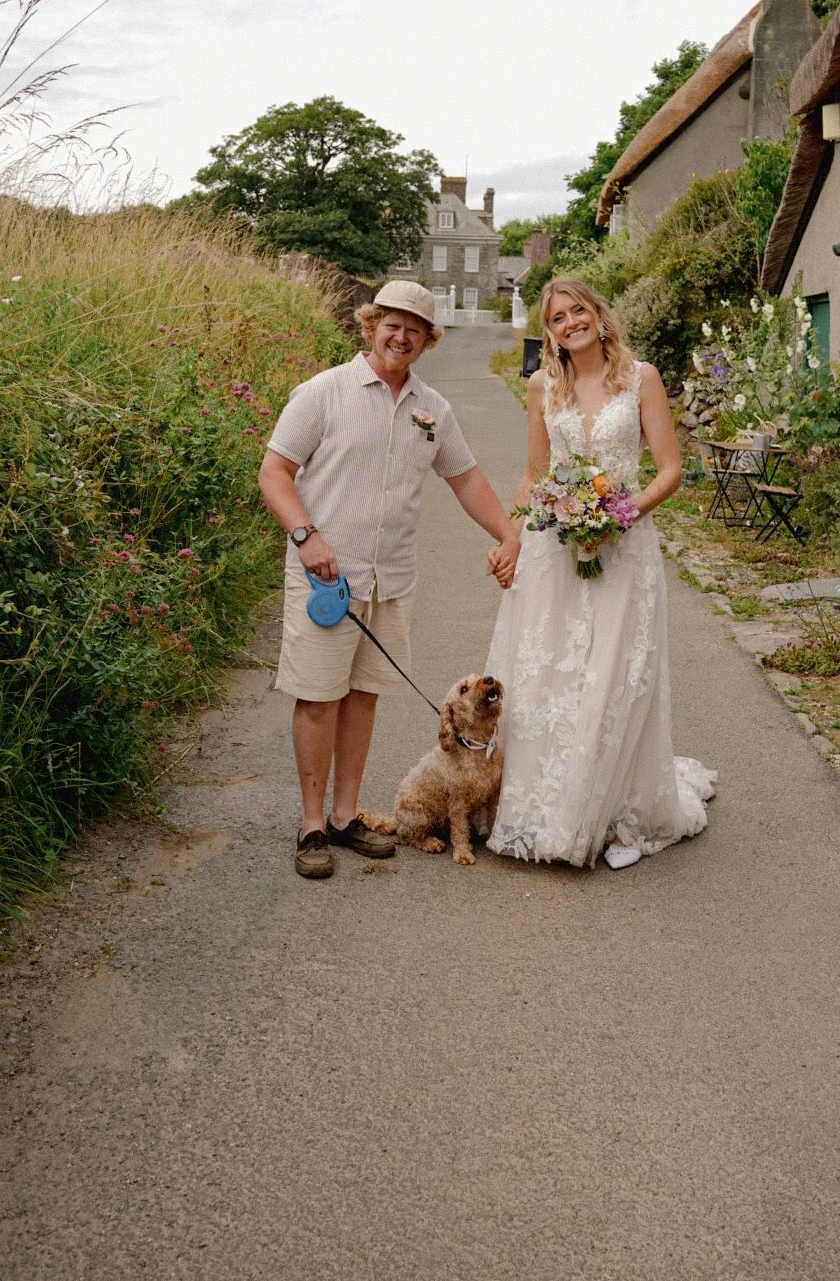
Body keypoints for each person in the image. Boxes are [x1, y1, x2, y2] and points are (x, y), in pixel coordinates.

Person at [259, 280, 522, 881]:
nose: (400, 336)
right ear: (371, 324)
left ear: (427, 340)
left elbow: (466, 478)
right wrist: (305, 535)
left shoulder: (433, 410)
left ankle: (348, 816)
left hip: (391, 578)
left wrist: (507, 535)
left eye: (413, 329)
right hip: (327, 578)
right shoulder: (322, 394)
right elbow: (274, 473)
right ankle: (311, 825)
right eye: (391, 324)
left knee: (362, 696)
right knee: (319, 696)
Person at [485, 277, 716, 869]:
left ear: (598, 315)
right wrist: (511, 536)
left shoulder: (641, 378)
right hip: (554, 550)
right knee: (552, 675)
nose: (569, 324)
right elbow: (535, 475)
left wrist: (620, 515)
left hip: (625, 548)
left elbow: (668, 470)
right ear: (551, 333)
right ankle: (543, 806)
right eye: (557, 318)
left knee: (617, 674)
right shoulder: (543, 386)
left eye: (577, 311)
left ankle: (616, 815)